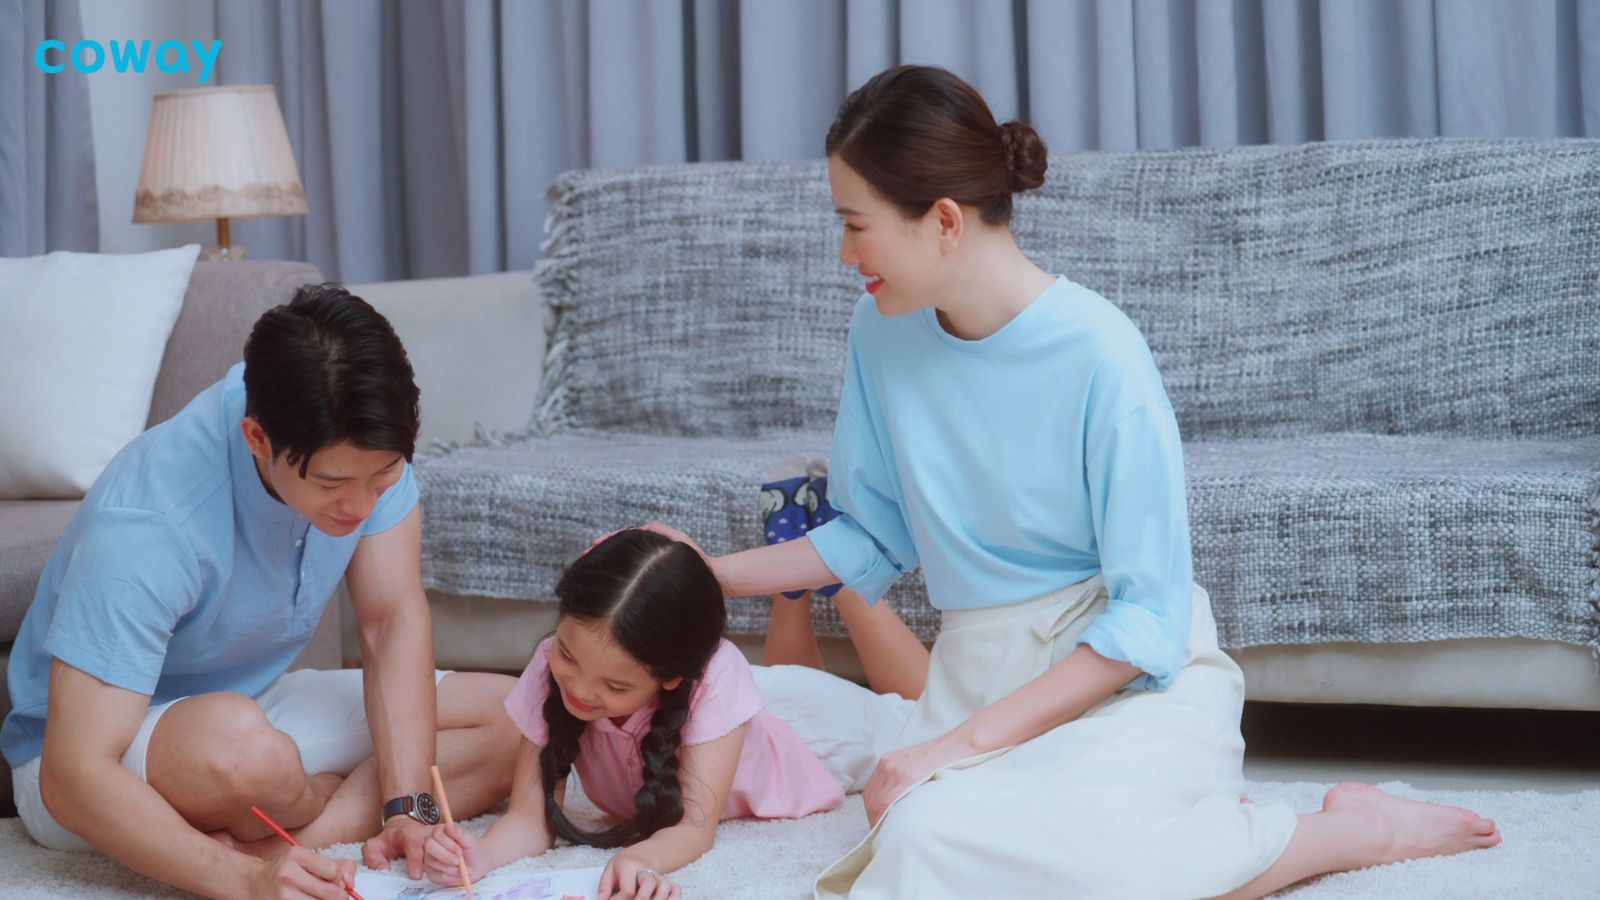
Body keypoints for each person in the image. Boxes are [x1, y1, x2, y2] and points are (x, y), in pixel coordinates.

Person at [644, 65, 1502, 899]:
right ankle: (1187, 825)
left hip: (1124, 677)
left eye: (856, 224)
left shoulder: (1103, 355)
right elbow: (872, 535)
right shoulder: (880, 333)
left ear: (942, 219)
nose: (844, 254)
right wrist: (702, 573)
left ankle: (1358, 830)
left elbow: (1147, 621)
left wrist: (949, 750)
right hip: (983, 674)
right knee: (925, 850)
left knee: (1110, 869)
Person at [3, 284, 521, 900]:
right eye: (332, 484)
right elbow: (71, 777)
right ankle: (272, 831)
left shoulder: (361, 441)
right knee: (245, 752)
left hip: (254, 704)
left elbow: (389, 622)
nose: (359, 507)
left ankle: (278, 838)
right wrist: (244, 883)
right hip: (93, 757)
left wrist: (410, 804)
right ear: (256, 438)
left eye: (382, 478)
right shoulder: (149, 523)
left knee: (523, 715)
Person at [421, 529, 910, 900]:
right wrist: (478, 853)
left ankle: (842, 578)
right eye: (568, 657)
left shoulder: (715, 676)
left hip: (816, 738)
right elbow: (529, 818)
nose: (579, 690)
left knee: (917, 715)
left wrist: (641, 858)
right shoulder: (553, 660)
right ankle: (796, 589)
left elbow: (695, 829)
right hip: (738, 714)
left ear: (671, 677)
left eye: (615, 685)